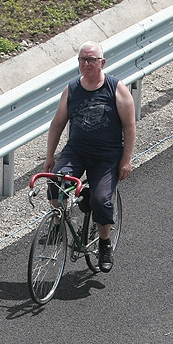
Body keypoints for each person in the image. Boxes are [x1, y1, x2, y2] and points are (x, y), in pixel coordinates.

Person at [45, 41, 136, 273]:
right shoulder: (72, 89)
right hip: (76, 151)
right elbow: (57, 124)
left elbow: (129, 126)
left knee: (101, 200)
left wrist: (126, 160)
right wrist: (49, 157)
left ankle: (104, 244)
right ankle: (57, 226)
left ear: (102, 63)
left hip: (106, 156)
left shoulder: (116, 89)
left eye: (91, 60)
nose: (86, 64)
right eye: (82, 60)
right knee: (55, 183)